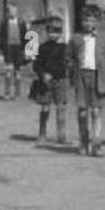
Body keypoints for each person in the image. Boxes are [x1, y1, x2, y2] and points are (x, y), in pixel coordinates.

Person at [69, 5, 105, 157]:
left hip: (98, 77)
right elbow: (68, 58)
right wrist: (73, 68)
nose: (88, 24)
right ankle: (84, 140)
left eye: (91, 21)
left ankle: (96, 142)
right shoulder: (75, 38)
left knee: (96, 111)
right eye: (85, 20)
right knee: (83, 111)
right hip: (81, 77)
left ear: (97, 22)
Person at [30, 17, 71, 146]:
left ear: (61, 32)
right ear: (47, 31)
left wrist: (64, 71)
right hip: (45, 81)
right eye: (51, 31)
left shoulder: (65, 47)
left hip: (60, 80)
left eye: (57, 31)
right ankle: (42, 133)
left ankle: (61, 135)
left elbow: (66, 63)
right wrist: (43, 75)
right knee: (45, 107)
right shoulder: (42, 47)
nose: (54, 34)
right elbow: (36, 65)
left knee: (61, 107)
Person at [0, 4, 29, 101]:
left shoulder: (21, 22)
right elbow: (1, 37)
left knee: (17, 72)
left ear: (17, 11)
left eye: (14, 10)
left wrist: (26, 51)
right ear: (8, 12)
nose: (12, 12)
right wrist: (2, 50)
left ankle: (17, 94)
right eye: (10, 10)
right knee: (8, 72)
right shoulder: (4, 23)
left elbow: (26, 37)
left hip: (19, 49)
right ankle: (7, 93)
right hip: (8, 49)